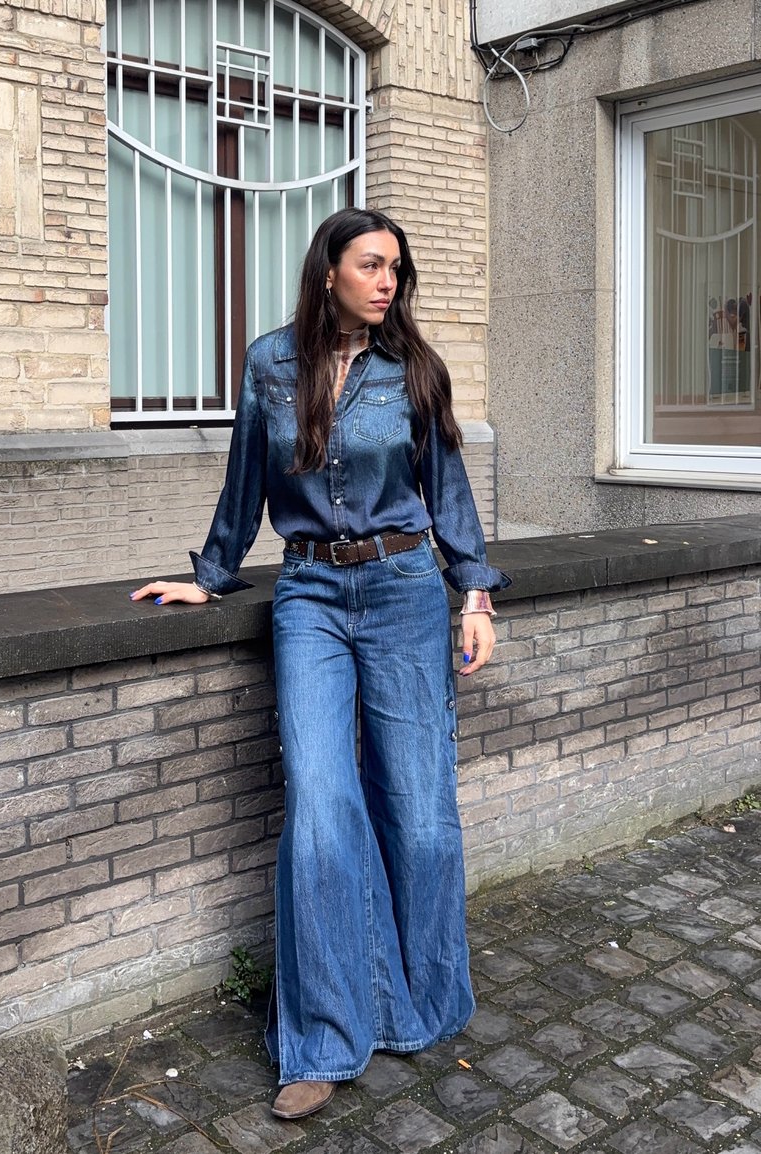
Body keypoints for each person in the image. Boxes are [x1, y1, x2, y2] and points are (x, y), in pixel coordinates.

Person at [130, 207, 511, 1121]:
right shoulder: (270, 363)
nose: (387, 282)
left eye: (395, 269)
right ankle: (323, 1040)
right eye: (371, 265)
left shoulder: (414, 368)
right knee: (320, 805)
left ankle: (421, 1004)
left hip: (405, 589)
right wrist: (211, 576)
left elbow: (447, 490)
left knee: (417, 804)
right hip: (307, 594)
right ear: (328, 270)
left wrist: (476, 594)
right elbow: (245, 481)